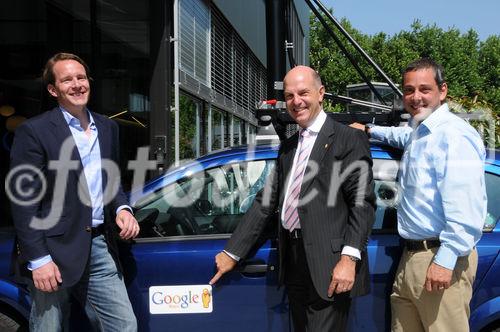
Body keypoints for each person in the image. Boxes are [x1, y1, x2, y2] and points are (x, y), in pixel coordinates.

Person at [210, 65, 375, 331]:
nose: (296, 101)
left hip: (330, 264)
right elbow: (266, 202)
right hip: (293, 260)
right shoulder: (288, 147)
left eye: (303, 93)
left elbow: (362, 203)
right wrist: (233, 251)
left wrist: (349, 259)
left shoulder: (348, 139)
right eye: (289, 96)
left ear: (321, 93)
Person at [351, 58, 487, 332]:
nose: (416, 97)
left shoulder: (454, 137)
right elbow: (402, 137)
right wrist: (369, 130)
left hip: (440, 257)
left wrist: (445, 261)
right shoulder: (420, 132)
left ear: (443, 91)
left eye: (424, 89)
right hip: (411, 257)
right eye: (409, 90)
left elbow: (466, 208)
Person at [8, 52, 139, 331]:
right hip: (51, 250)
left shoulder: (108, 127)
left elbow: (111, 181)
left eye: (81, 77)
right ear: (53, 90)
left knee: (124, 326)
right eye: (67, 80)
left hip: (99, 246)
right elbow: (23, 200)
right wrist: (38, 259)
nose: (77, 84)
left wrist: (122, 208)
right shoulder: (35, 131)